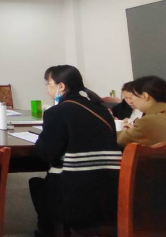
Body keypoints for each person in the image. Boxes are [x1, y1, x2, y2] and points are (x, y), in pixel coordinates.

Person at [30, 65, 121, 237]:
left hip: (75, 190)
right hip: (111, 186)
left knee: (38, 184)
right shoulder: (101, 110)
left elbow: (46, 153)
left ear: (61, 86)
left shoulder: (57, 112)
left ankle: (50, 231)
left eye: (48, 83)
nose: (47, 87)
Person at [117, 76, 166, 148]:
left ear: (145, 96)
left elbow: (119, 139)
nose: (131, 101)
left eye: (132, 97)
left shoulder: (148, 121)